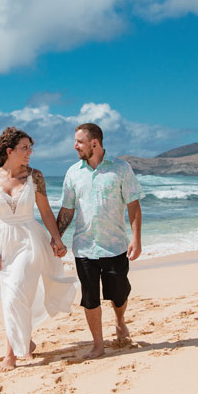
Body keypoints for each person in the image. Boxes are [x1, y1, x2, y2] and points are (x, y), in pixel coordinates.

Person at [0, 127, 78, 371]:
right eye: (25, 148)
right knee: (9, 297)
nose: (29, 152)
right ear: (9, 151)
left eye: (30, 148)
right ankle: (24, 341)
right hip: (5, 242)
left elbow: (45, 211)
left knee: (17, 294)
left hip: (30, 240)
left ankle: (11, 355)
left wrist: (57, 239)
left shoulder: (35, 176)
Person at [54, 122, 144, 359]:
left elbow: (134, 205)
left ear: (95, 143)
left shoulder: (121, 169)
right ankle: (98, 344)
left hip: (115, 245)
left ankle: (120, 321)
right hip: (84, 249)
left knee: (119, 294)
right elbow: (67, 209)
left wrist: (136, 239)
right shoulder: (73, 172)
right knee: (90, 298)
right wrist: (56, 237)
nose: (75, 146)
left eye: (79, 142)